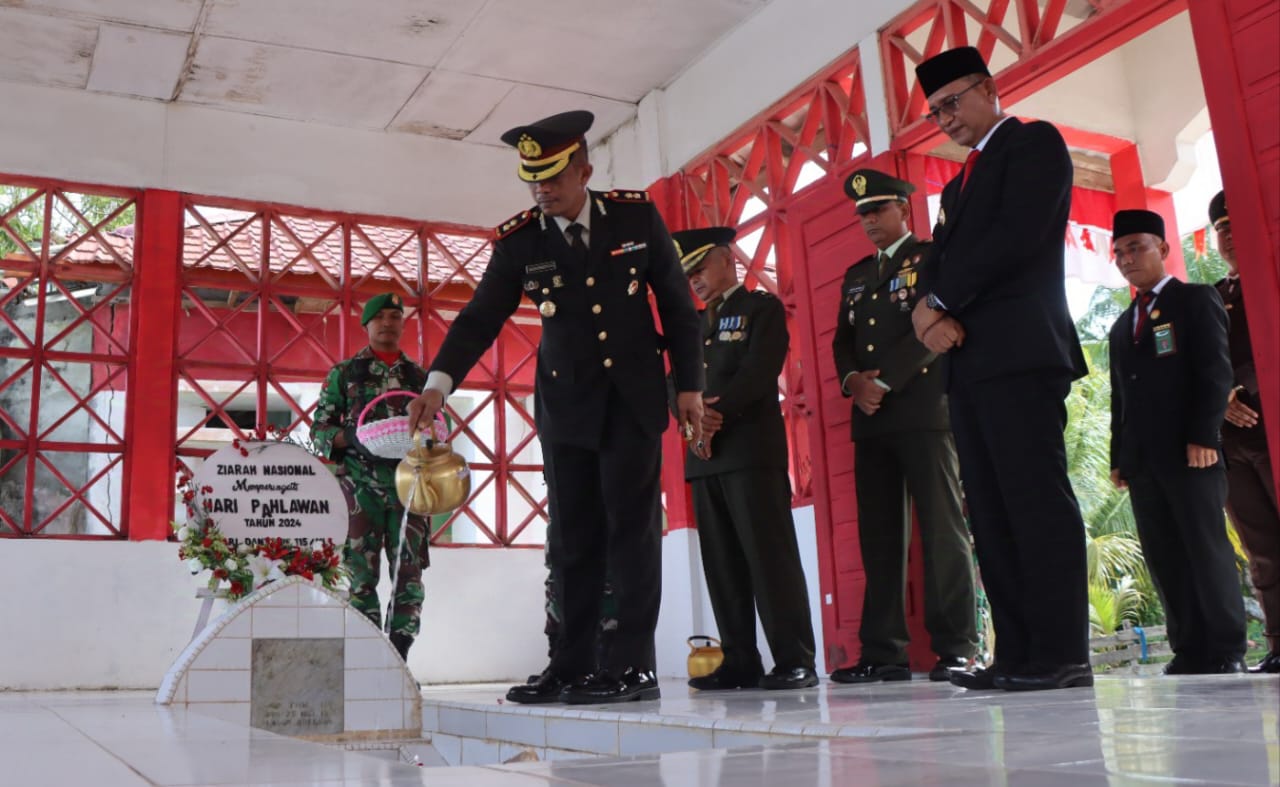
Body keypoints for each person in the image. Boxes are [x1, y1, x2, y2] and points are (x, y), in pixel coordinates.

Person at [405, 110, 705, 704]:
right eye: (532, 179)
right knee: (572, 540)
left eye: (552, 177)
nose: (541, 189)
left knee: (633, 534)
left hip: (632, 402)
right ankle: (570, 665)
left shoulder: (634, 217)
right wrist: (438, 384)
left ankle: (632, 668)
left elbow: (676, 303)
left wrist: (690, 385)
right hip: (566, 408)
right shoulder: (521, 241)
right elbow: (479, 318)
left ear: (584, 172)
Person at [909, 46, 1091, 691]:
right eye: (935, 113)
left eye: (952, 103)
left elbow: (1016, 237)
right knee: (989, 512)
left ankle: (1062, 655)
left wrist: (938, 302)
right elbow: (935, 265)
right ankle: (1016, 654)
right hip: (968, 363)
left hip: (1021, 353)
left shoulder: (1032, 144)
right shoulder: (956, 186)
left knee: (1034, 501)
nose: (945, 120)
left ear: (988, 89)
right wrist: (925, 316)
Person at [828, 169, 977, 685]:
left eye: (878, 210)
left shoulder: (930, 257)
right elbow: (842, 340)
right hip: (870, 419)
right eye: (863, 215)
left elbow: (934, 327)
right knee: (880, 538)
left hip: (923, 411)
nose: (870, 221)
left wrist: (884, 381)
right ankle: (883, 652)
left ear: (903, 210)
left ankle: (956, 647)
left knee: (943, 531)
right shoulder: (855, 275)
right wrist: (853, 381)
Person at [671, 226, 818, 692]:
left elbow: (759, 371)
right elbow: (674, 384)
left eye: (700, 268)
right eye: (688, 274)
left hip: (750, 451)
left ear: (726, 260)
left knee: (770, 559)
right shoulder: (691, 325)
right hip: (704, 456)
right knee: (722, 566)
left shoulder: (761, 309)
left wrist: (714, 415)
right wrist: (693, 423)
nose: (694, 280)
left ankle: (794, 658)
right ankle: (739, 660)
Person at [1108, 208, 1247, 674]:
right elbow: (1120, 397)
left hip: (1192, 451)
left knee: (1205, 549)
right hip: (1143, 460)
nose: (1127, 259)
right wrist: (1119, 457)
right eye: (1119, 252)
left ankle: (1225, 649)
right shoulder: (1122, 325)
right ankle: (1188, 648)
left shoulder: (1194, 299)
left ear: (1163, 249)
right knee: (1164, 554)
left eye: (1136, 247)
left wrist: (1204, 434)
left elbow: (1215, 371)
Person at [310, 292, 430, 661]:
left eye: (395, 316)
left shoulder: (420, 378)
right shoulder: (345, 374)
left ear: (402, 324)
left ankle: (399, 656)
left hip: (409, 489)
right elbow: (319, 431)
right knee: (360, 576)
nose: (388, 323)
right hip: (360, 489)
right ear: (367, 324)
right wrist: (352, 438)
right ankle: (368, 658)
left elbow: (438, 428)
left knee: (409, 574)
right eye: (380, 317)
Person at [1209, 192, 1279, 672]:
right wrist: (1221, 399)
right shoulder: (1212, 296)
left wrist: (1240, 387)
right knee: (1261, 549)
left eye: (1236, 224)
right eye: (1221, 228)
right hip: (1232, 441)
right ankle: (1278, 643)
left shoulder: (1270, 278)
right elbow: (1197, 363)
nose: (1229, 236)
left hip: (1270, 425)